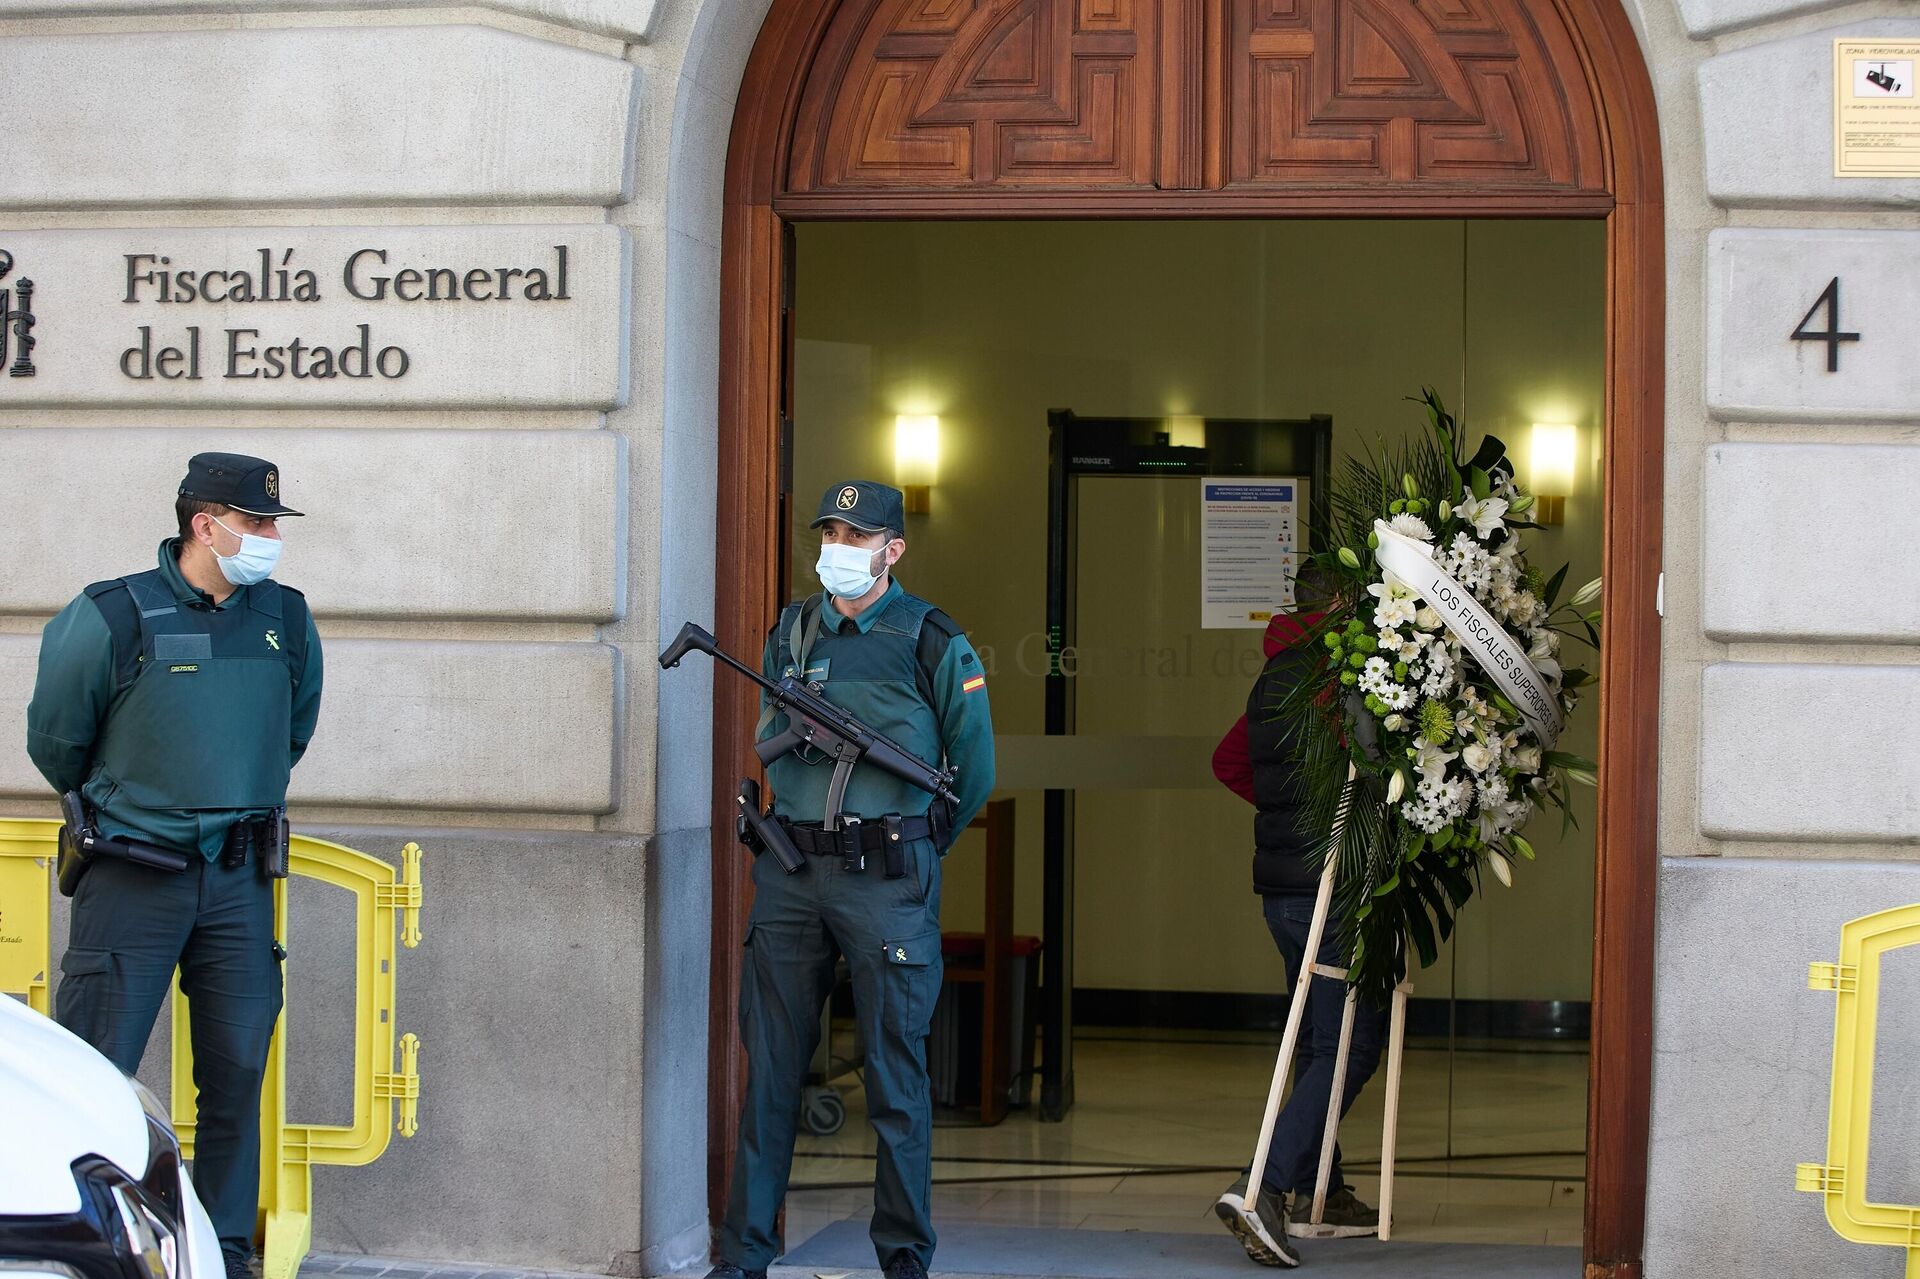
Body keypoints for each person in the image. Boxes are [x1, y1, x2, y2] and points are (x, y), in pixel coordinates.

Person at [27, 452, 323, 1279]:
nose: (267, 538)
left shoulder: (286, 620)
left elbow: (291, 732)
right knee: (96, 1066)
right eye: (258, 522)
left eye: (269, 524)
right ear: (206, 524)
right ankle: (83, 1243)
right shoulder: (114, 613)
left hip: (236, 881)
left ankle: (222, 1246)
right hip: (132, 876)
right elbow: (57, 740)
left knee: (237, 1068)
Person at [708, 480, 996, 1279]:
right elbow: (770, 730)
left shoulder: (933, 639)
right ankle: (743, 1258)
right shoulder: (793, 629)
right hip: (793, 874)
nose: (838, 546)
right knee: (768, 1072)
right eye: (831, 530)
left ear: (892, 550)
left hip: (886, 881)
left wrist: (916, 844)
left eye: (856, 535)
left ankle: (903, 1258)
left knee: (896, 1079)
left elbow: (973, 770)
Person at [1209, 595, 1387, 1268]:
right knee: (1347, 1047)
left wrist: (1288, 819)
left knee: (1317, 1043)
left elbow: (1229, 761)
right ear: (1340, 605)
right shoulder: (1336, 681)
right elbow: (1371, 778)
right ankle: (1265, 1185)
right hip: (1329, 892)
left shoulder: (1274, 676)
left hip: (1281, 893)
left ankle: (1321, 1185)